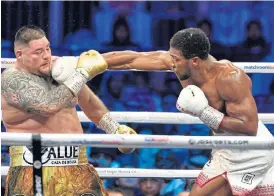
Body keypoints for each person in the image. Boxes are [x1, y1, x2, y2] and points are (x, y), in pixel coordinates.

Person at [102, 28, 274, 195]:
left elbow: (249, 126)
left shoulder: (229, 78)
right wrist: (93, 62)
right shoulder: (179, 64)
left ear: (194, 61)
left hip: (251, 151)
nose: (171, 63)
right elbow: (133, 59)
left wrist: (203, 112)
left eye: (176, 59)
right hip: (224, 148)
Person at [1, 25, 137, 196]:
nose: (46, 56)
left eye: (48, 48)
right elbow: (48, 105)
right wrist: (82, 73)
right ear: (20, 55)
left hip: (76, 165)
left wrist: (115, 129)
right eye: (38, 52)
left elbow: (89, 103)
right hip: (32, 167)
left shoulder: (60, 71)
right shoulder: (12, 79)